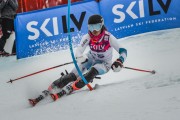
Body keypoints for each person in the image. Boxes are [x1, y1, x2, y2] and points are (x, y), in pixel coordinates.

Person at [29, 14, 127, 106]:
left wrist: (120, 61)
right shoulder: (87, 37)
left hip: (104, 64)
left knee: (91, 72)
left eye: (96, 26)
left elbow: (123, 50)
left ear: (101, 25)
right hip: (91, 59)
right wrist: (80, 57)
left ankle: (71, 87)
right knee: (71, 76)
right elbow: (79, 51)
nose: (94, 30)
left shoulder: (108, 37)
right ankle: (49, 89)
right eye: (91, 27)